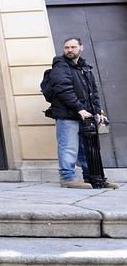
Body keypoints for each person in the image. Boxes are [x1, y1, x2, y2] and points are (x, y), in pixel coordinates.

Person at [46, 38, 118, 190]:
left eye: (73, 47)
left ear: (81, 48)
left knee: (87, 149)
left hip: (85, 116)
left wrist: (97, 112)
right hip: (67, 115)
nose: (69, 50)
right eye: (66, 47)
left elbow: (93, 92)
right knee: (68, 147)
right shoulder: (60, 65)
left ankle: (93, 178)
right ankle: (68, 178)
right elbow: (62, 89)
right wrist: (79, 108)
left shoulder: (85, 68)